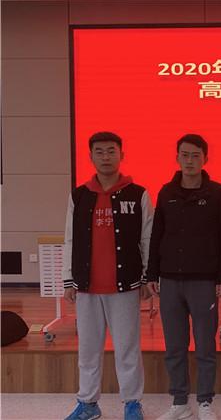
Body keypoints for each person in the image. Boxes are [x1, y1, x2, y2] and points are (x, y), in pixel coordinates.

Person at [62, 131, 153, 420]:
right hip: (87, 287)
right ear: (90, 156)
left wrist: (147, 277)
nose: (105, 157)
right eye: (99, 151)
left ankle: (132, 403)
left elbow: (147, 238)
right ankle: (88, 403)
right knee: (88, 350)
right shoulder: (79, 195)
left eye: (111, 151)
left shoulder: (138, 194)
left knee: (127, 348)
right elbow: (70, 239)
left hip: (125, 286)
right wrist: (68, 279)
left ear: (121, 155)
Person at [146, 134, 221, 420]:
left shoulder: (218, 193)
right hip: (170, 280)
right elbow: (157, 234)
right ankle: (179, 402)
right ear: (177, 158)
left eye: (195, 155)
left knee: (205, 345)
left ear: (205, 158)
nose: (190, 160)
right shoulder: (166, 192)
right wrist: (152, 273)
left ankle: (205, 402)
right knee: (175, 346)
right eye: (185, 155)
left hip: (204, 281)